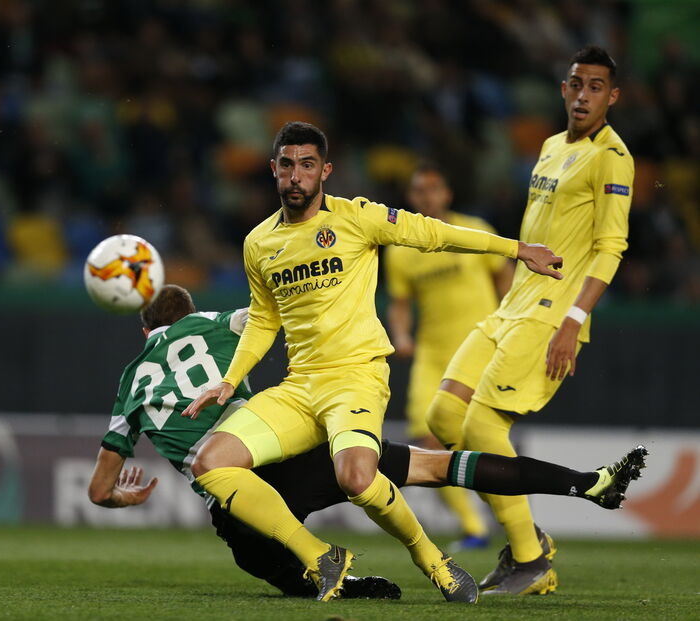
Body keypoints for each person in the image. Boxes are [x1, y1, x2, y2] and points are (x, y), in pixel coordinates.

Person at [180, 120, 565, 603]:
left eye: (307, 165)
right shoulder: (258, 243)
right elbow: (263, 318)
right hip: (300, 388)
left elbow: (434, 233)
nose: (296, 175)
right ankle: (321, 555)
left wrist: (517, 249)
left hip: (355, 377)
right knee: (211, 463)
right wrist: (229, 380)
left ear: (325, 171)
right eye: (287, 165)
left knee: (357, 477)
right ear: (272, 169)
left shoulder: (355, 217)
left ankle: (432, 560)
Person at [87, 285, 648, 600]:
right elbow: (277, 316)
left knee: (274, 572)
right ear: (190, 315)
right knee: (436, 466)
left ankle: (345, 580)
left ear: (144, 333)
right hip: (292, 453)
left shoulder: (130, 379)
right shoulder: (217, 322)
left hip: (239, 502)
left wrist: (121, 498)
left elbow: (98, 489)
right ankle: (586, 482)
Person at [423, 45, 635, 596]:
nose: (583, 94)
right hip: (511, 304)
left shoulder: (612, 157)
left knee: (482, 428)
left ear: (611, 97)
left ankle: (528, 559)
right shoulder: (547, 147)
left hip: (550, 314)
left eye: (595, 86)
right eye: (575, 84)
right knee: (444, 416)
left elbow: (610, 249)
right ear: (563, 89)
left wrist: (573, 320)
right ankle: (527, 537)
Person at [384, 163, 515, 550]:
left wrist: (507, 319)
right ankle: (474, 527)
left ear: (447, 194)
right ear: (411, 199)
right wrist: (402, 335)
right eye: (419, 191)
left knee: (475, 437)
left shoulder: (473, 230)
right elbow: (400, 303)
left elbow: (505, 275)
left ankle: (511, 521)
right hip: (432, 354)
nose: (427, 197)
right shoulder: (402, 249)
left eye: (434, 188)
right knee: (426, 442)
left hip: (478, 350)